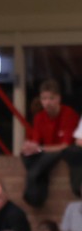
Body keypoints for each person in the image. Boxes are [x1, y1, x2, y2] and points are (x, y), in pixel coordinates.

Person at [22, 80, 82, 208]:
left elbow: (65, 145)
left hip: (63, 153)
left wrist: (40, 148)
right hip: (45, 153)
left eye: (51, 98)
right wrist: (29, 147)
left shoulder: (69, 114)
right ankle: (36, 193)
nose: (47, 102)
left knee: (50, 158)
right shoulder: (39, 117)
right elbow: (36, 142)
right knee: (26, 156)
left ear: (59, 98)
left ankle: (33, 186)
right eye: (44, 99)